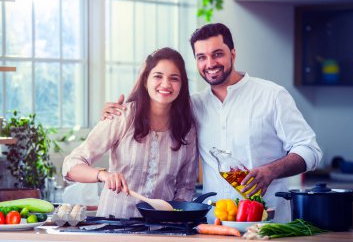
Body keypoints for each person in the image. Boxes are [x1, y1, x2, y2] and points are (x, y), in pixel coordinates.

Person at [101, 23, 322, 223]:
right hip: (214, 224)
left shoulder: (272, 96)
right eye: (201, 57)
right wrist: (118, 111)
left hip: (267, 222)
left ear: (233, 54)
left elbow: (310, 150)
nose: (210, 63)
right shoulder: (193, 105)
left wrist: (271, 171)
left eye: (218, 54)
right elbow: (155, 102)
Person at [63, 47, 198, 218]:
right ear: (145, 81)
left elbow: (186, 187)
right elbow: (70, 165)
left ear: (182, 85)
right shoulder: (123, 116)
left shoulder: (187, 128)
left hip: (162, 229)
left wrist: (176, 216)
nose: (166, 84)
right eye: (158, 76)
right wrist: (103, 175)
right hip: (115, 224)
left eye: (174, 78)